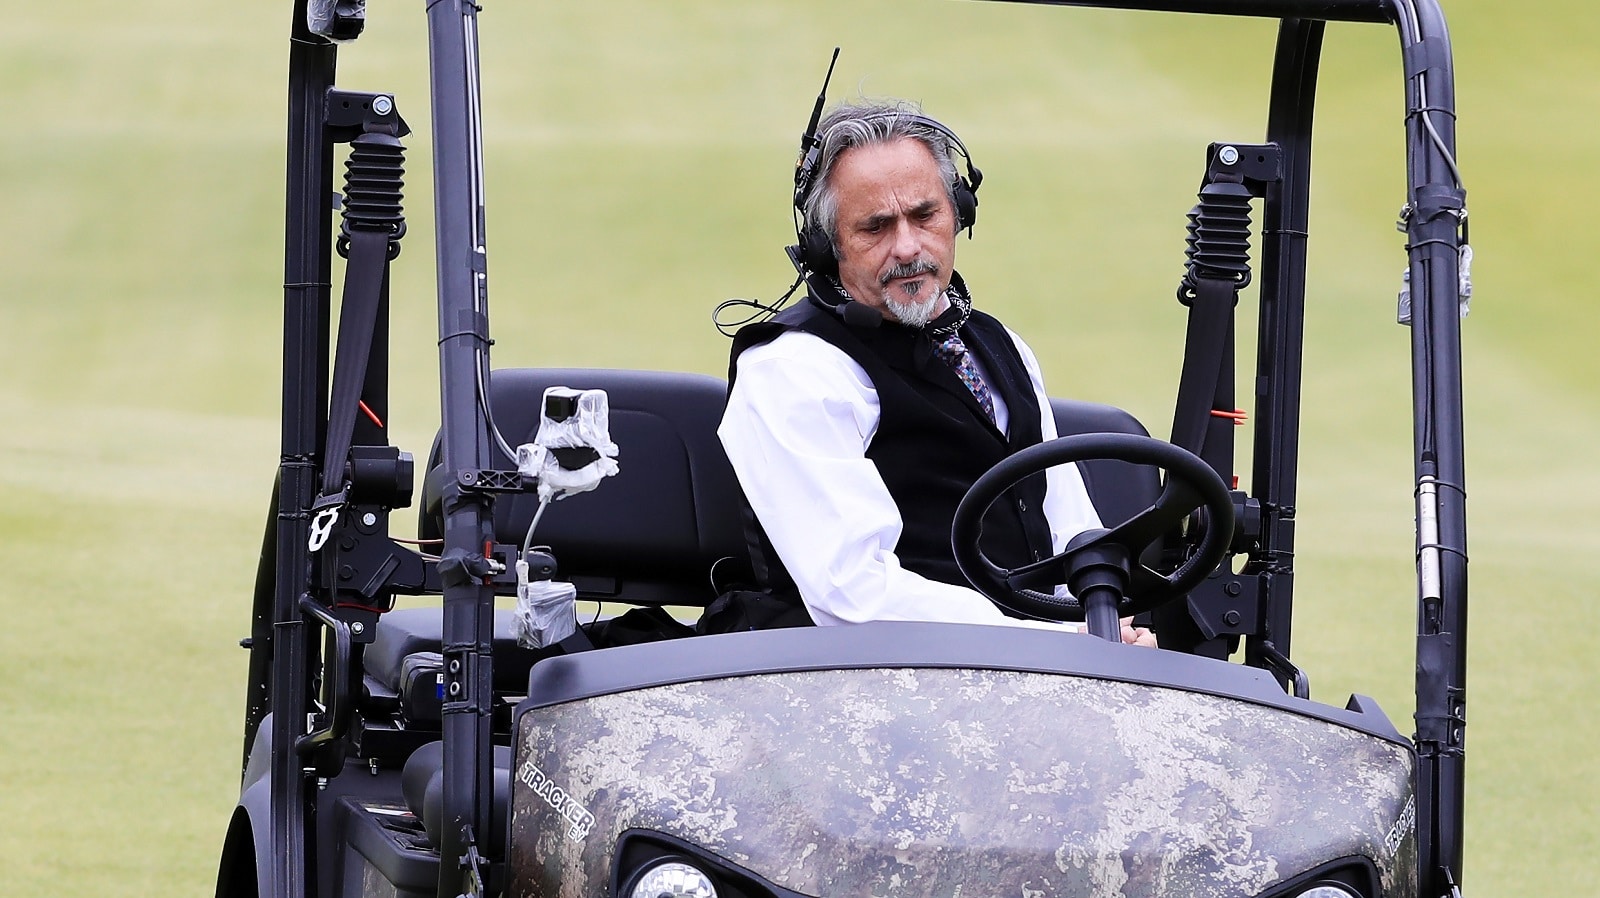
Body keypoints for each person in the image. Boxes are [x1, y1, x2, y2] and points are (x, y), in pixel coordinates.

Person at [717, 99, 1154, 646]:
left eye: (925, 216)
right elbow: (852, 595)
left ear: (959, 213)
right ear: (828, 248)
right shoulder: (791, 372)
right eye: (875, 227)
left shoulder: (1001, 346)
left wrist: (1104, 623)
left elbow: (1067, 528)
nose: (908, 247)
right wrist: (1043, 642)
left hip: (1027, 666)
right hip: (853, 683)